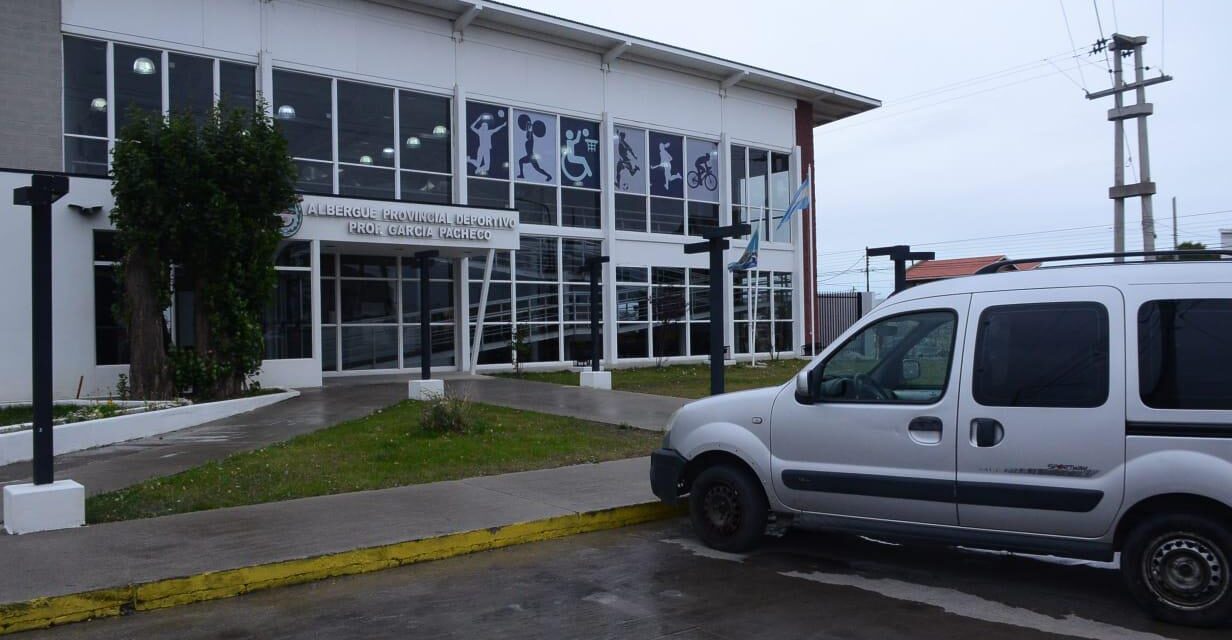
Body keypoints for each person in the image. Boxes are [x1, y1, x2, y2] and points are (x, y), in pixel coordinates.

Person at [517, 114, 553, 182]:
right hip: (529, 156)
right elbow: (528, 134)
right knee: (536, 168)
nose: (527, 135)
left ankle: (549, 176)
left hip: (531, 156)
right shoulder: (528, 141)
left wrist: (529, 126)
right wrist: (528, 127)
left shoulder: (530, 140)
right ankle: (522, 174)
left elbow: (529, 135)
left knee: (537, 169)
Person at [468, 111, 505, 176]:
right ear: (482, 127)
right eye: (485, 126)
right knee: (478, 164)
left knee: (487, 167)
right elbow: (471, 127)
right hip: (482, 148)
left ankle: (476, 168)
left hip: (486, 149)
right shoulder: (480, 132)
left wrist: (503, 125)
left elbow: (496, 129)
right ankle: (469, 161)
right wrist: (477, 120)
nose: (486, 126)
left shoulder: (488, 132)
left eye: (487, 126)